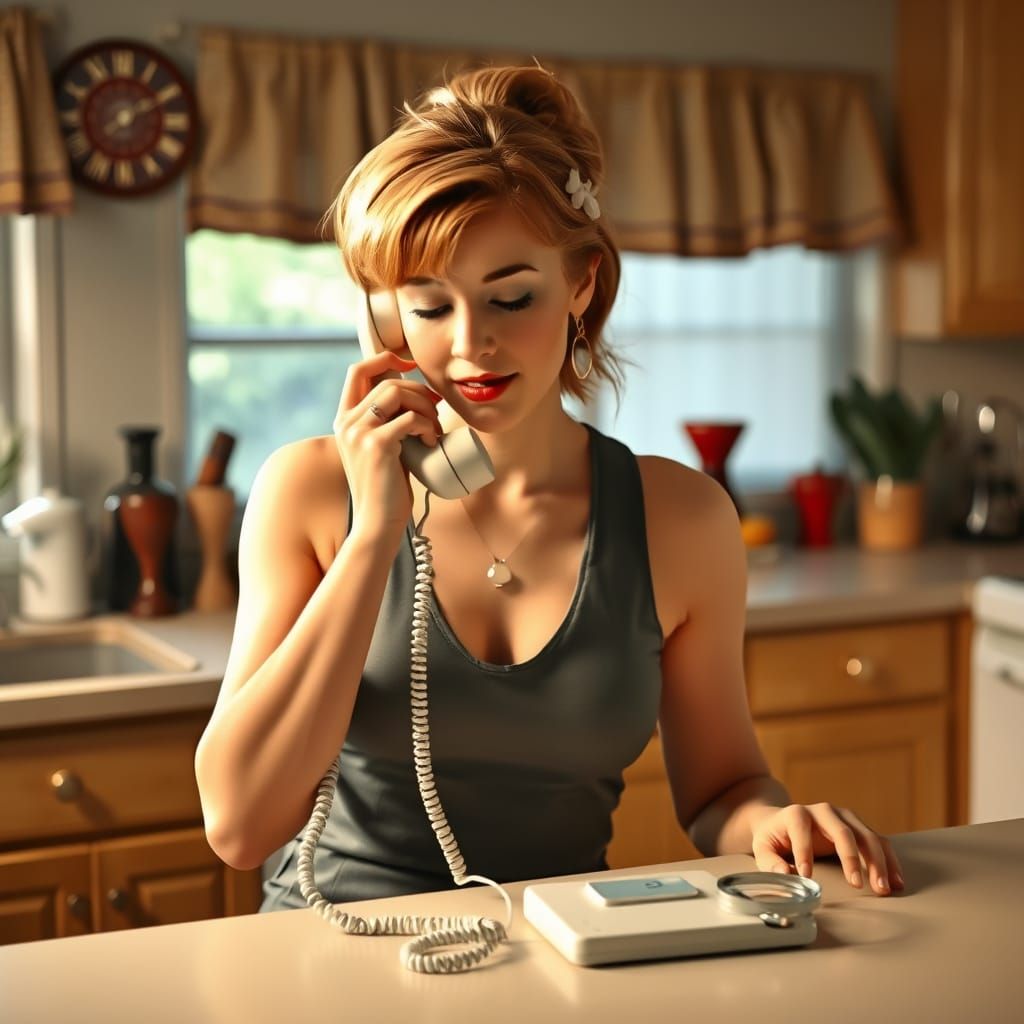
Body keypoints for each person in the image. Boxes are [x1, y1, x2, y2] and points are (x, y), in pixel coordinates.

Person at [194, 63, 905, 913]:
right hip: (334, 953)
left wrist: (773, 820)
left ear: (581, 284)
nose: (471, 346)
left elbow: (721, 789)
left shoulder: (682, 520)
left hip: (565, 958)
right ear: (384, 322)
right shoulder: (309, 491)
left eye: (512, 296)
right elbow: (237, 826)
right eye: (429, 307)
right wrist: (374, 535)